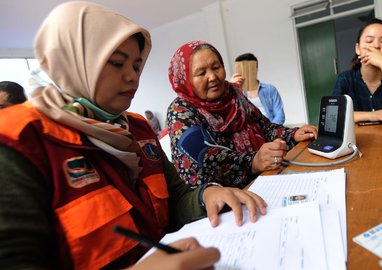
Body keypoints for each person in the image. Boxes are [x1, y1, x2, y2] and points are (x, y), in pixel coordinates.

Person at [0, 2, 266, 269]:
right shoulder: (19, 141)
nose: (132, 78)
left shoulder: (137, 130)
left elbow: (175, 199)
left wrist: (205, 196)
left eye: (137, 66)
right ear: (71, 61)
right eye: (116, 63)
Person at [167, 41, 318, 189]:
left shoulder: (234, 94)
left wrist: (293, 134)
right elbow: (204, 158)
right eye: (201, 73)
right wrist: (253, 161)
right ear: (184, 79)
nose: (212, 76)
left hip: (267, 179)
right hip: (226, 200)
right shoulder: (181, 110)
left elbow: (265, 128)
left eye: (216, 67)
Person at [331, 18, 382, 124]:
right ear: (358, 49)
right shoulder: (345, 78)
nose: (376, 46)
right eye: (369, 41)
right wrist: (373, 115)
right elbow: (333, 114)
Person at [230, 53, 286, 124]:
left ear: (256, 69)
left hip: (270, 127)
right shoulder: (235, 92)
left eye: (249, 69)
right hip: (248, 132)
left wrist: (271, 131)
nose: (246, 73)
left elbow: (280, 115)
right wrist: (232, 86)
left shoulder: (270, 89)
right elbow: (230, 117)